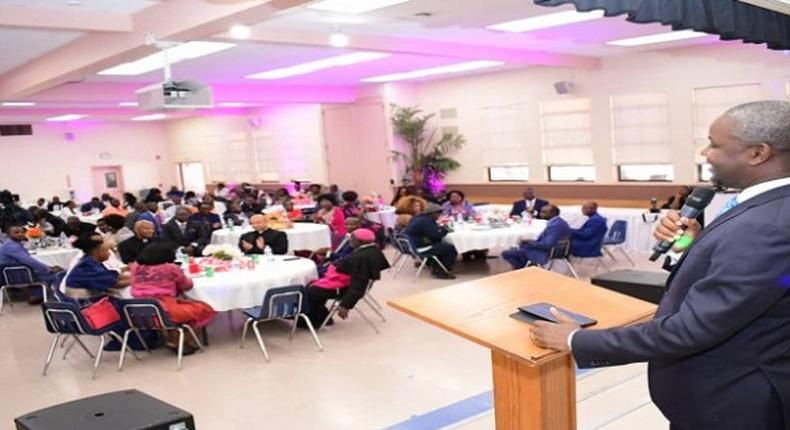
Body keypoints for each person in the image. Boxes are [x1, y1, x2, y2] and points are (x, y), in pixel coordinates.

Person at [530, 101, 790, 430]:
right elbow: (749, 284)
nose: (704, 153)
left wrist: (576, 341)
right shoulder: (768, 208)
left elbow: (693, 328)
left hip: (734, 404)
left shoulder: (767, 225)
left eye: (714, 144)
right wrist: (691, 247)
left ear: (757, 153)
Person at [130, 242, 216, 353]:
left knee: (184, 309)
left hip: (138, 310)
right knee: (206, 309)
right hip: (164, 309)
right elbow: (186, 285)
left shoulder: (135, 267)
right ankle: (180, 342)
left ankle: (174, 338)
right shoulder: (171, 268)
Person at [304, 229, 390, 327]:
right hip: (343, 280)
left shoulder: (361, 258)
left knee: (311, 291)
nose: (350, 242)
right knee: (314, 284)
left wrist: (345, 305)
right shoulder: (373, 250)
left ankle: (314, 321)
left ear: (359, 241)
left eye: (352, 239)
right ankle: (321, 315)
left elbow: (359, 285)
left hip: (343, 287)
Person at [0, 225, 64, 304]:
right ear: (8, 235)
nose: (20, 234)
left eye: (22, 232)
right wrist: (48, 269)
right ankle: (59, 299)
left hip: (15, 274)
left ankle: (36, 295)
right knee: (58, 274)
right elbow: (28, 261)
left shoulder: (11, 244)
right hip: (16, 276)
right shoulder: (11, 246)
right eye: (16, 232)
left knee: (45, 272)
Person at [501, 205, 570, 270]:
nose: (541, 214)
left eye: (544, 212)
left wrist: (530, 242)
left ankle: (522, 270)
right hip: (554, 249)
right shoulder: (559, 222)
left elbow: (547, 245)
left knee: (506, 253)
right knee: (520, 248)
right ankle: (526, 269)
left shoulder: (554, 226)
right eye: (541, 212)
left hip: (547, 252)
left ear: (553, 213)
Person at [64, 235, 131, 300]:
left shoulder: (91, 262)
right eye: (107, 251)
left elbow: (110, 275)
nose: (109, 254)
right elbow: (115, 284)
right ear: (97, 251)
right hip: (83, 302)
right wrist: (135, 281)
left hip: (87, 297)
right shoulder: (87, 266)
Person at [402, 203, 458, 279]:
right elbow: (436, 236)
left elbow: (432, 233)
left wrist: (439, 229)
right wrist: (445, 229)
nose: (439, 216)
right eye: (438, 214)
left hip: (410, 245)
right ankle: (441, 271)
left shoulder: (418, 218)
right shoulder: (426, 221)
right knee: (450, 248)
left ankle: (433, 263)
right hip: (418, 246)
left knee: (440, 244)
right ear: (433, 213)